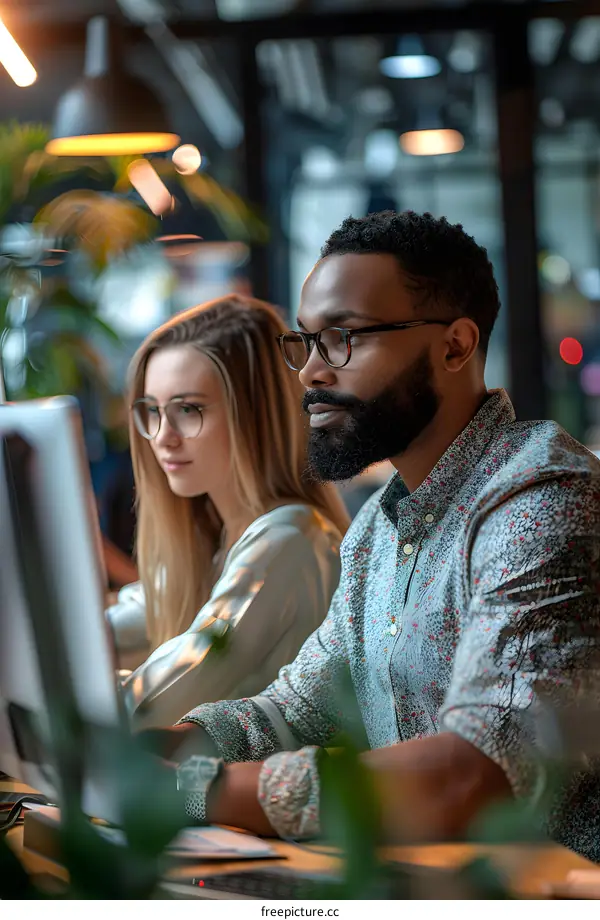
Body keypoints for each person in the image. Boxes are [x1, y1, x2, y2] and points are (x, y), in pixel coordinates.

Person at [146, 211, 600, 860]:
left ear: (455, 346)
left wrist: (197, 790)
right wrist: (159, 749)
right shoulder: (379, 530)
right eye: (308, 341)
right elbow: (294, 713)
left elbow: (475, 772)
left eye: (346, 337)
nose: (310, 373)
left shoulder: (539, 495)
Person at [106, 295, 349, 727]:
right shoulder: (217, 544)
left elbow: (144, 712)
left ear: (254, 416)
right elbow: (108, 632)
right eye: (152, 411)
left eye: (188, 409)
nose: (163, 437)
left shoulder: (289, 539)